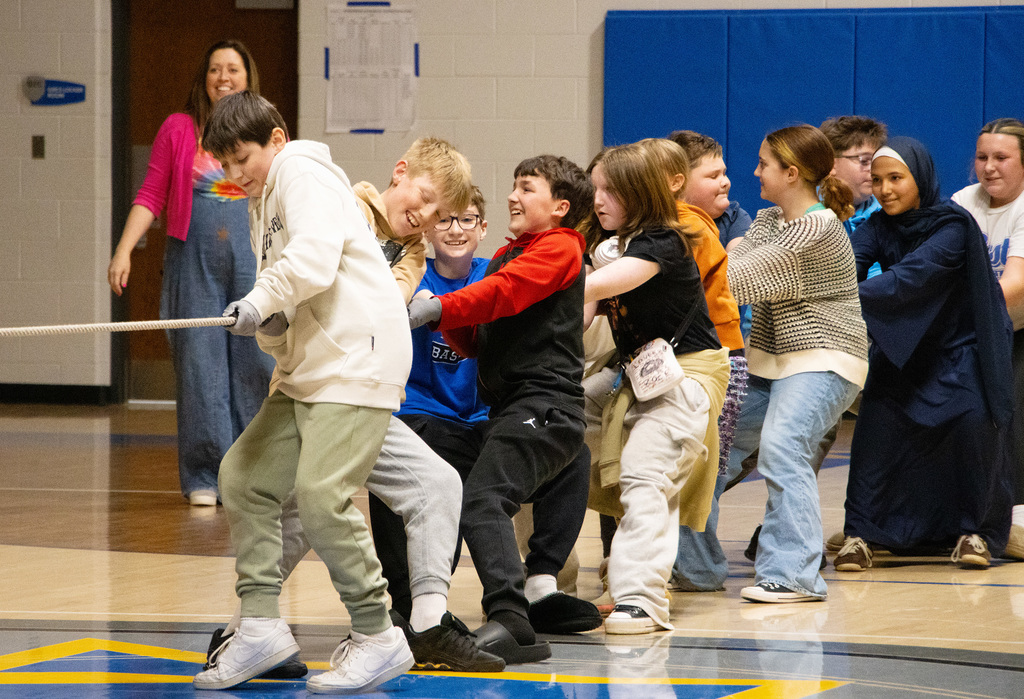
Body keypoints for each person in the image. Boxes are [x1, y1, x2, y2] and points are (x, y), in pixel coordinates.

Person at [202, 139, 504, 675]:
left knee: (434, 485)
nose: (426, 218)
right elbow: (293, 272)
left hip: (359, 390)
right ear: (400, 171)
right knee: (292, 505)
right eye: (426, 199)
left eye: (439, 215)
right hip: (310, 388)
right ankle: (248, 627)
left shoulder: (411, 252)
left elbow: (381, 307)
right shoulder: (336, 199)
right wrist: (273, 319)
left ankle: (428, 623)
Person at [191, 91, 414, 693]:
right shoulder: (260, 199)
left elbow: (312, 261)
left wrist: (263, 301)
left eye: (244, 159)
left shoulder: (303, 171)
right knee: (244, 477)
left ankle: (378, 634)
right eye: (227, 166)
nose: (237, 176)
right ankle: (260, 626)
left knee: (321, 496)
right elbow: (286, 298)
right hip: (311, 366)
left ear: (278, 139)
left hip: (358, 355)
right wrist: (266, 321)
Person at [373, 187, 602, 636]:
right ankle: (413, 603)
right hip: (428, 416)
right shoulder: (409, 276)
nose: (455, 230)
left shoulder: (501, 268)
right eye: (444, 220)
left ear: (482, 229)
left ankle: (540, 585)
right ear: (427, 226)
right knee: (406, 454)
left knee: (571, 454)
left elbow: (517, 297)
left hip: (485, 419)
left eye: (467, 220)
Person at [107, 40, 275, 507]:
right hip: (192, 262)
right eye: (215, 69)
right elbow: (149, 194)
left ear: (248, 78)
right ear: (204, 78)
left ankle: (257, 476)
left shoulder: (265, 128)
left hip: (251, 261)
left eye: (234, 69)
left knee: (257, 364)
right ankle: (207, 474)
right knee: (200, 369)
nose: (224, 77)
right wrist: (124, 251)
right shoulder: (179, 129)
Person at [836, 137, 1015, 571]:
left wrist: (837, 297)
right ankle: (861, 534)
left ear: (920, 178)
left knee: (974, 428)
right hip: (902, 357)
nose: (885, 189)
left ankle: (973, 534)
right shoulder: (877, 226)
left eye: (896, 178)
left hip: (959, 353)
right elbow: (845, 265)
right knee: (874, 437)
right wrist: (829, 283)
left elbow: (910, 279)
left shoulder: (951, 226)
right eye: (876, 180)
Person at [582, 142, 730, 633]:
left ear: (639, 193)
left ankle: (642, 600)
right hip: (641, 378)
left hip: (686, 375)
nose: (597, 199)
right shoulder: (613, 246)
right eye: (596, 188)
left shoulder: (664, 241)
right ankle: (619, 588)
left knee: (646, 479)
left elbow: (593, 288)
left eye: (610, 190)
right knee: (633, 483)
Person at [726, 125, 868, 603]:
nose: (755, 172)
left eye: (763, 164)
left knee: (784, 447)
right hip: (773, 361)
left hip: (825, 356)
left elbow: (734, 279)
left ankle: (794, 576)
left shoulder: (816, 227)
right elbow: (735, 259)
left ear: (791, 173)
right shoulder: (771, 220)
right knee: (712, 451)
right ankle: (692, 566)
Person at [952, 118, 1024, 561]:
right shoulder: (964, 202)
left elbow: (1015, 283)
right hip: (978, 331)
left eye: (1001, 158)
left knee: (1014, 418)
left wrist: (960, 309)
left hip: (1017, 331)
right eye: (982, 157)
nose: (989, 167)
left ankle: (1014, 521)